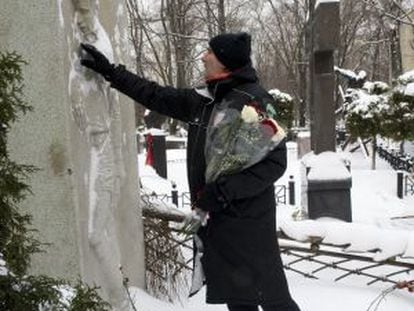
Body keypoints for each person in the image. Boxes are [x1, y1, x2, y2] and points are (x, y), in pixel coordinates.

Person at [80, 32, 300, 311]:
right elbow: (155, 95)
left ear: (224, 61)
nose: (203, 56)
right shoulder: (204, 100)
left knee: (273, 300)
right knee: (239, 298)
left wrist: (222, 192)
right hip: (218, 220)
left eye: (209, 51)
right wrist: (111, 72)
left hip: (249, 222)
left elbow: (274, 163)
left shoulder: (254, 101)